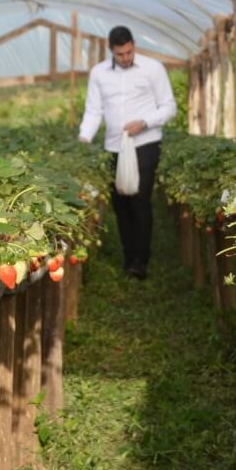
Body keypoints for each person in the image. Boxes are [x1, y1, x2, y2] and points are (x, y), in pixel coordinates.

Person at [78, 26, 177, 280]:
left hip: (145, 143)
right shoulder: (98, 73)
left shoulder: (153, 69)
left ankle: (141, 261)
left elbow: (168, 107)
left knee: (140, 200)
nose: (125, 58)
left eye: (129, 52)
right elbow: (94, 110)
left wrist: (143, 122)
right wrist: (84, 137)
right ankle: (128, 255)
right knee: (120, 203)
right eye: (120, 54)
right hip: (113, 146)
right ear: (111, 50)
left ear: (134, 45)